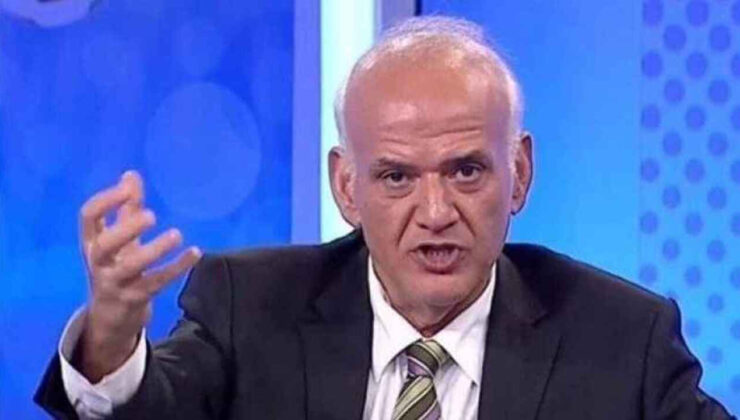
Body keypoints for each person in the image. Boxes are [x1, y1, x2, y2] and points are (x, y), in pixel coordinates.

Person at [36, 16, 734, 420]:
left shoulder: (622, 338)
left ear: (519, 172)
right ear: (346, 187)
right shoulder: (250, 307)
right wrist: (111, 342)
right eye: (397, 177)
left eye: (466, 171)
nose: (436, 212)